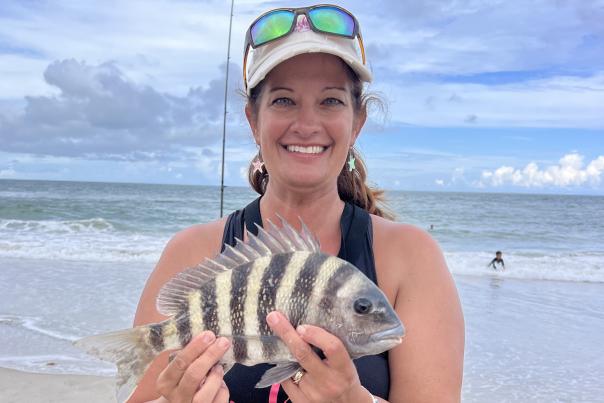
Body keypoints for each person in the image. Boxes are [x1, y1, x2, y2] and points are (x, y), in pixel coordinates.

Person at [130, 4, 464, 402]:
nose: (306, 124)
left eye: (331, 101)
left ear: (357, 122)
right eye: (284, 100)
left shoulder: (411, 257)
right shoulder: (190, 251)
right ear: (254, 120)